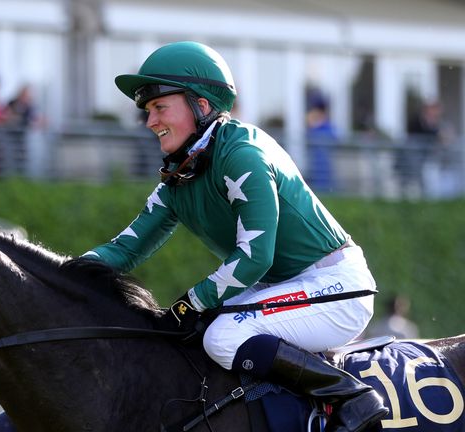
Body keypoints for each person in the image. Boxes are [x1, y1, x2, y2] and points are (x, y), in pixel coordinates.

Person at [79, 41, 387, 432]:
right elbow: (124, 248)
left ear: (201, 105)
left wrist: (193, 300)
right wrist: (59, 273)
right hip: (287, 288)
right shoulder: (180, 176)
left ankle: (352, 396)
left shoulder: (243, 153)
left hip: (336, 286)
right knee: (196, 337)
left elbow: (255, 255)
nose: (150, 122)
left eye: (159, 107)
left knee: (222, 337)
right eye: (148, 111)